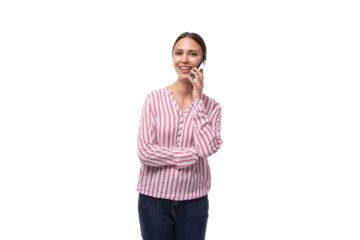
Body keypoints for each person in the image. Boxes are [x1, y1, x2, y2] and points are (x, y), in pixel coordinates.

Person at [136, 29, 224, 240]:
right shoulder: (153, 98)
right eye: (179, 53)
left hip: (195, 200)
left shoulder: (212, 106)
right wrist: (191, 154)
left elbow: (208, 150)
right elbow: (144, 152)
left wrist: (197, 100)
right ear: (172, 56)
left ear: (203, 60)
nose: (184, 60)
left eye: (192, 54)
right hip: (153, 199)